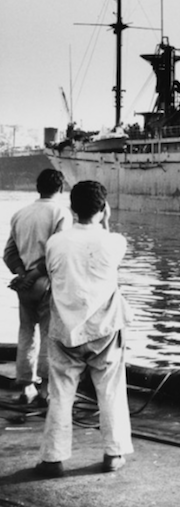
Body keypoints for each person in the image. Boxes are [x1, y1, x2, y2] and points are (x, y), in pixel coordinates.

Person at [36, 181, 132, 478]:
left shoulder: (55, 242)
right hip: (104, 331)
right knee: (111, 391)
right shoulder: (116, 242)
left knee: (61, 393)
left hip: (64, 330)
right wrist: (106, 221)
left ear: (71, 209)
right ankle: (113, 454)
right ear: (104, 209)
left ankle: (53, 458)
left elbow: (52, 274)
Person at [3, 169, 71, 406]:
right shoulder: (61, 213)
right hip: (48, 283)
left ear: (36, 186)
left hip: (24, 286)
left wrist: (23, 275)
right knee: (49, 335)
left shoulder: (20, 214)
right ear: (61, 189)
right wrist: (34, 275)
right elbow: (58, 251)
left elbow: (9, 254)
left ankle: (25, 386)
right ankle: (45, 390)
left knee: (25, 332)